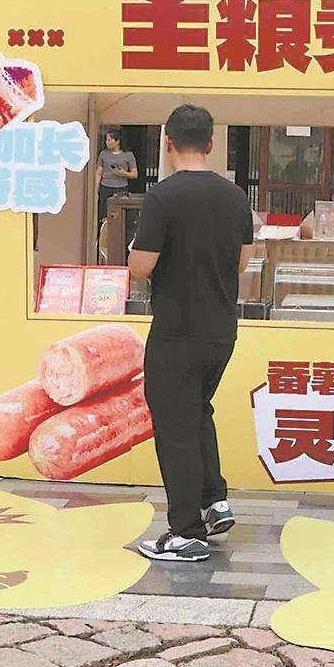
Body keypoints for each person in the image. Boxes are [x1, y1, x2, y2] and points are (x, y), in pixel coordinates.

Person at [128, 104, 254, 563]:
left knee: (175, 428)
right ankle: (213, 501)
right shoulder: (235, 197)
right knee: (197, 412)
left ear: (168, 143)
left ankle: (186, 532)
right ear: (211, 143)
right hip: (220, 330)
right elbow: (242, 263)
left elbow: (141, 266)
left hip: (176, 331)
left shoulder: (163, 197)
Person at [97, 130, 139, 228]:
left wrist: (124, 173)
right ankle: (102, 235)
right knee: (103, 215)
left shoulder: (128, 155)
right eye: (106, 140)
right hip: (105, 187)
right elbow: (99, 173)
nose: (107, 142)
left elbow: (135, 174)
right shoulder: (103, 154)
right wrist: (96, 190)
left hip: (121, 188)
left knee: (119, 215)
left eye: (109, 140)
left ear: (117, 141)